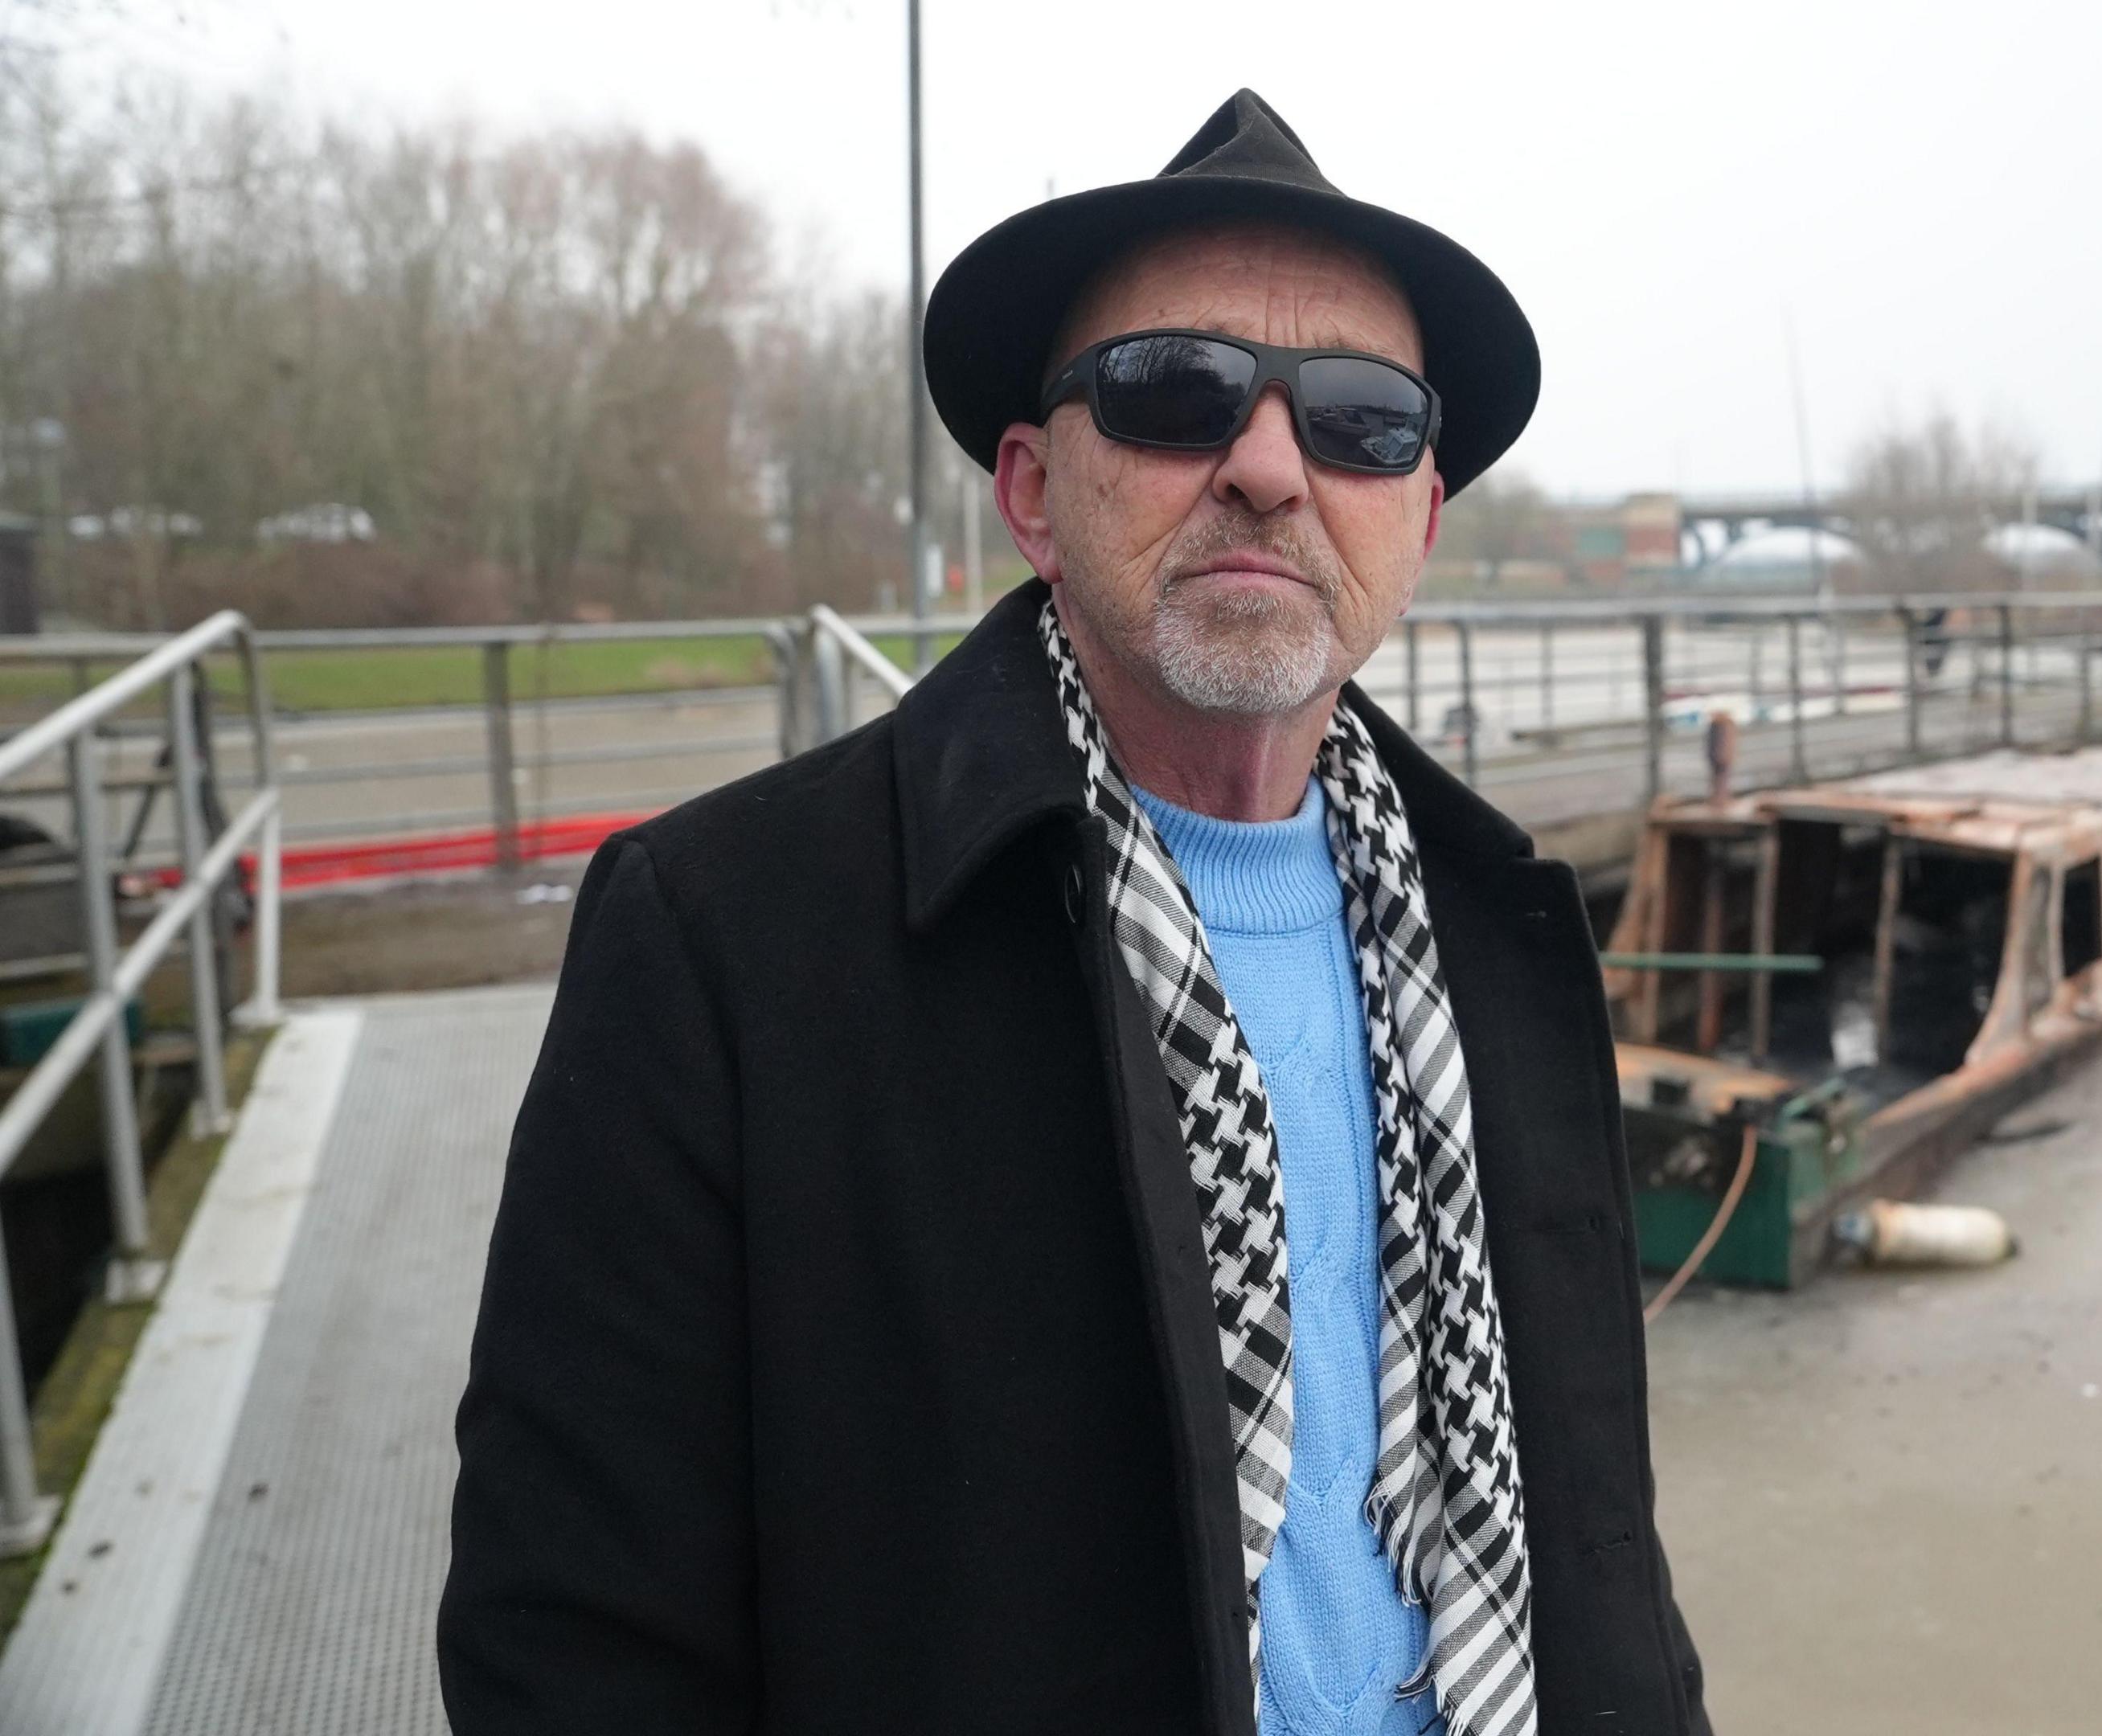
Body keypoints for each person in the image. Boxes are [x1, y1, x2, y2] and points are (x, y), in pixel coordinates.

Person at [439, 91, 1712, 1736]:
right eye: (1175, 393)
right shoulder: (723, 945)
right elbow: (575, 1655)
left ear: (1421, 515)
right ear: (1033, 490)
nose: (1268, 467)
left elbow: (1600, 1538)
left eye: (1361, 421)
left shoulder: (1504, 935)